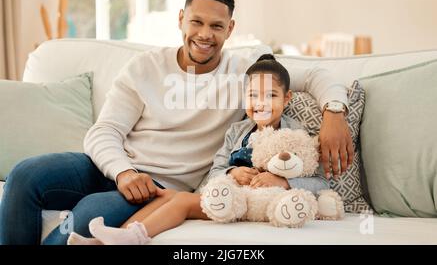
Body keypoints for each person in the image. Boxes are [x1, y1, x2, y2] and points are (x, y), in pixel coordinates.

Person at [0, 0, 353, 245]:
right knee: (26, 174)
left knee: (90, 213)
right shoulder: (145, 67)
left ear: (229, 30)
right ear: (181, 19)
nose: (204, 35)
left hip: (159, 186)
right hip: (110, 166)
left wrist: (334, 114)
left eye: (216, 26)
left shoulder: (245, 75)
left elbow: (316, 74)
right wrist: (123, 171)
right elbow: (104, 131)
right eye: (196, 22)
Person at [67, 54, 331, 245]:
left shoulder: (296, 135)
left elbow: (320, 183)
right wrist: (230, 174)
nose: (260, 103)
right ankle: (108, 243)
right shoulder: (237, 132)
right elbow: (214, 173)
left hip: (264, 205)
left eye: (270, 96)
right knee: (165, 195)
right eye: (253, 95)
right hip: (230, 199)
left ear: (287, 99)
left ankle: (125, 240)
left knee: (181, 200)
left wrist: (283, 182)